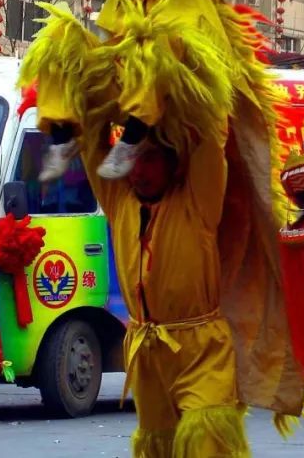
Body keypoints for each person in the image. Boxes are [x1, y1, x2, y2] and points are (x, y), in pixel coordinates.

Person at [90, 134, 247, 456]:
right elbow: (92, 142)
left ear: (174, 164)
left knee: (207, 437)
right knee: (158, 443)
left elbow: (208, 139)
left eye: (149, 159)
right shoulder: (120, 202)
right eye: (132, 159)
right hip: (146, 350)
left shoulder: (199, 201)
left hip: (201, 347)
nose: (138, 171)